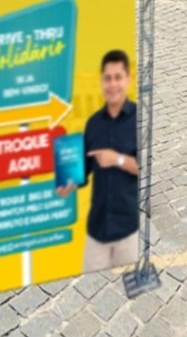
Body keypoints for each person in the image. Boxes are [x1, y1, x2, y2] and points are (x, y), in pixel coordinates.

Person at [56, 49, 140, 271]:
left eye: (117, 77)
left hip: (128, 231)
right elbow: (86, 168)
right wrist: (71, 183)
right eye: (107, 78)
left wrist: (118, 160)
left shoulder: (139, 120)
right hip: (97, 229)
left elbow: (148, 169)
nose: (113, 84)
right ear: (102, 82)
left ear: (128, 80)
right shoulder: (93, 123)